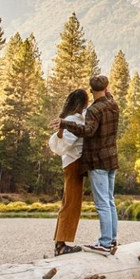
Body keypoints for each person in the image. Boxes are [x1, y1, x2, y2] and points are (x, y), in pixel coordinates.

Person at [53, 74, 119, 253]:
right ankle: (110, 240)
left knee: (100, 203)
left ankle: (105, 242)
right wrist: (64, 126)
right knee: (107, 201)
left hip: (96, 160)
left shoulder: (92, 111)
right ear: (106, 88)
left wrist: (63, 124)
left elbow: (87, 131)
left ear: (91, 90)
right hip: (109, 159)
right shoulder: (113, 105)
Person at [48, 88, 88, 256]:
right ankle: (61, 245)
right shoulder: (72, 120)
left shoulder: (71, 118)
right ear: (81, 103)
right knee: (71, 204)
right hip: (74, 163)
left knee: (69, 202)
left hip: (71, 163)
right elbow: (66, 143)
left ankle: (60, 242)